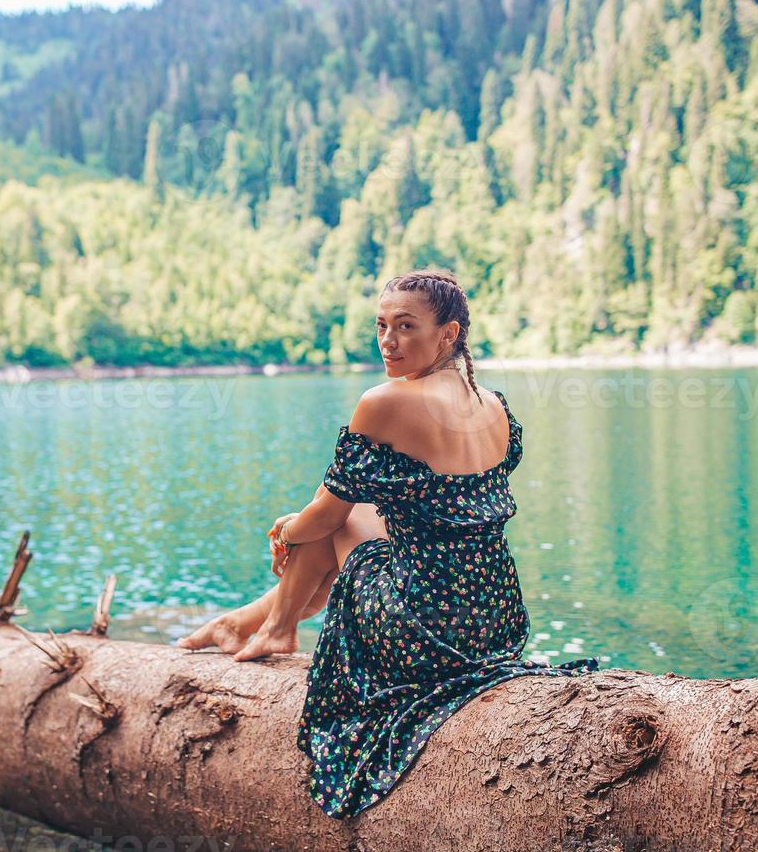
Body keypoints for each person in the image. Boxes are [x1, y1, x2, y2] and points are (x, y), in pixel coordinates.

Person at [177, 269, 602, 818]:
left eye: (406, 326)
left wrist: (285, 530)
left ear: (448, 334)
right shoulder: (494, 404)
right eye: (380, 326)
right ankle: (255, 621)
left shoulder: (384, 402)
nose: (388, 342)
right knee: (353, 514)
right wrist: (312, 520)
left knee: (331, 520)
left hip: (426, 625)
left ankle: (277, 627)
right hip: (495, 619)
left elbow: (322, 517)